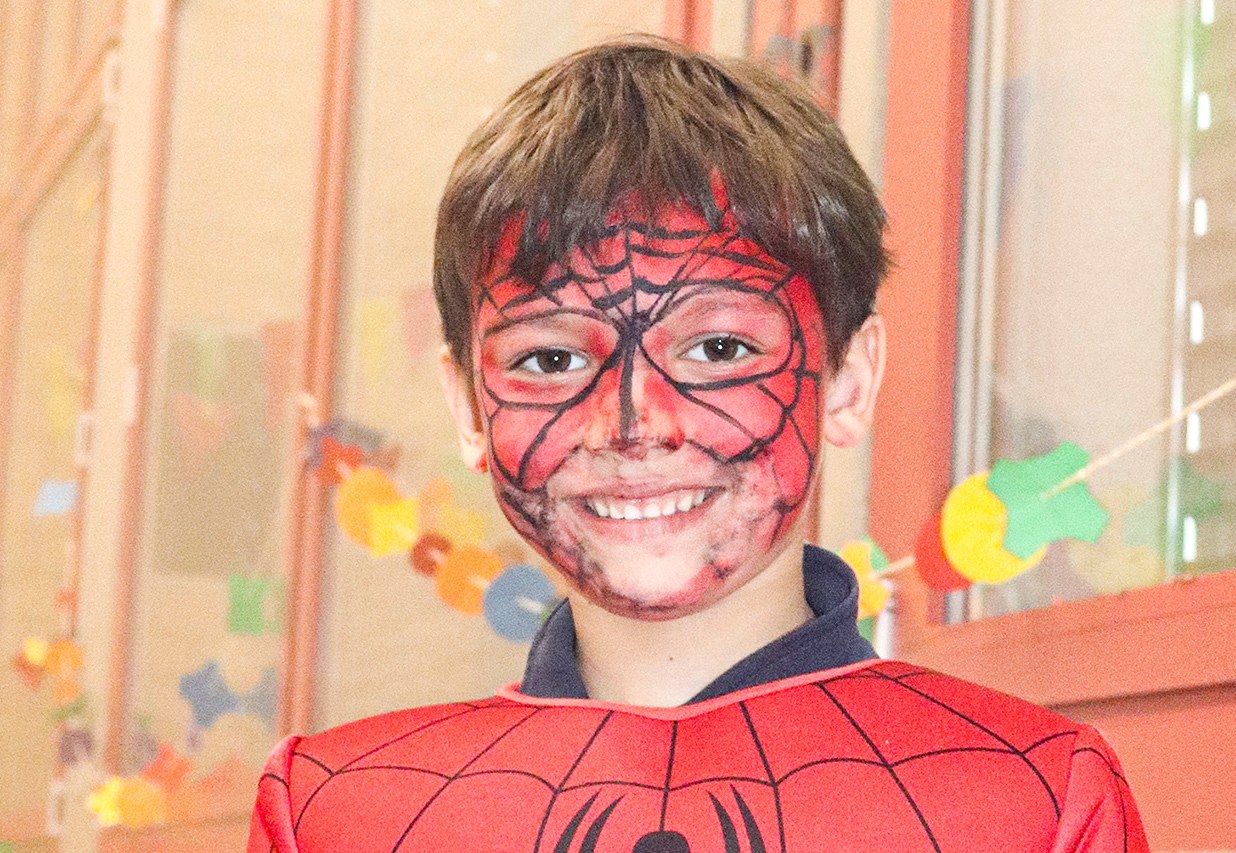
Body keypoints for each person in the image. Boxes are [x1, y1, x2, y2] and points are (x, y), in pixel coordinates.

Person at [248, 37, 1148, 852]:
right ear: (470, 408)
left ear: (847, 379)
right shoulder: (335, 814)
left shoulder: (1033, 800)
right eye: (552, 359)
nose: (634, 425)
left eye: (718, 349)